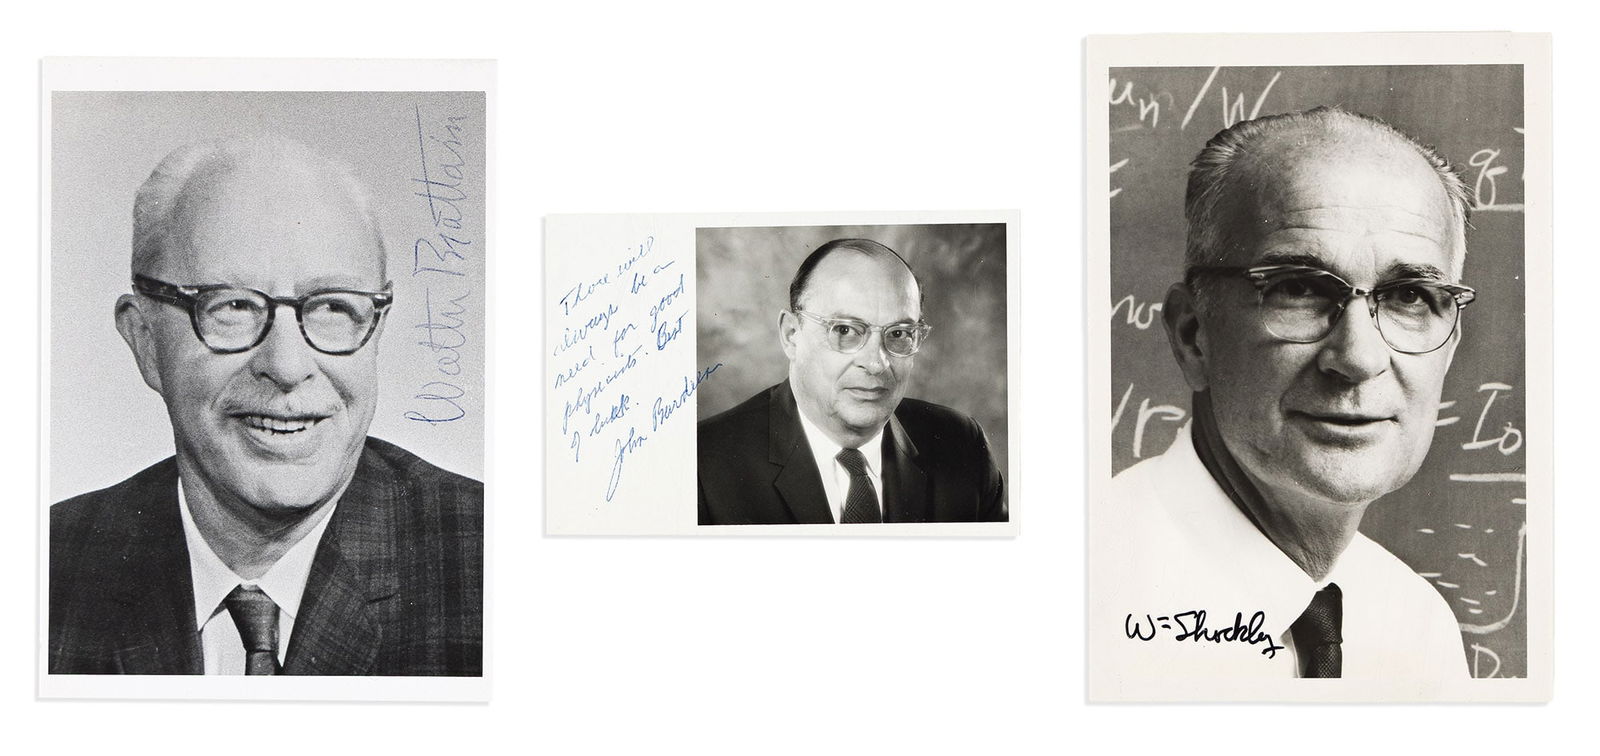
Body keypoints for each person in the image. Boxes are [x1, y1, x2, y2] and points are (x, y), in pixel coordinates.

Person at [49, 136, 482, 676]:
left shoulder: (493, 565)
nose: (286, 365)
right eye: (232, 305)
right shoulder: (42, 571)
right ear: (144, 341)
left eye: (331, 306)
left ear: (377, 331)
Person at [1094, 107, 1473, 687]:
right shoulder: (1073, 596)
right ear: (1194, 336)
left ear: (1447, 348)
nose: (1359, 358)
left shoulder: (1417, 628)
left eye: (1410, 297)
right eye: (1297, 288)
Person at [698, 238, 1006, 525]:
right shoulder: (702, 464)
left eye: (898, 334)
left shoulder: (964, 447)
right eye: (845, 331)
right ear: (791, 336)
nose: (875, 363)